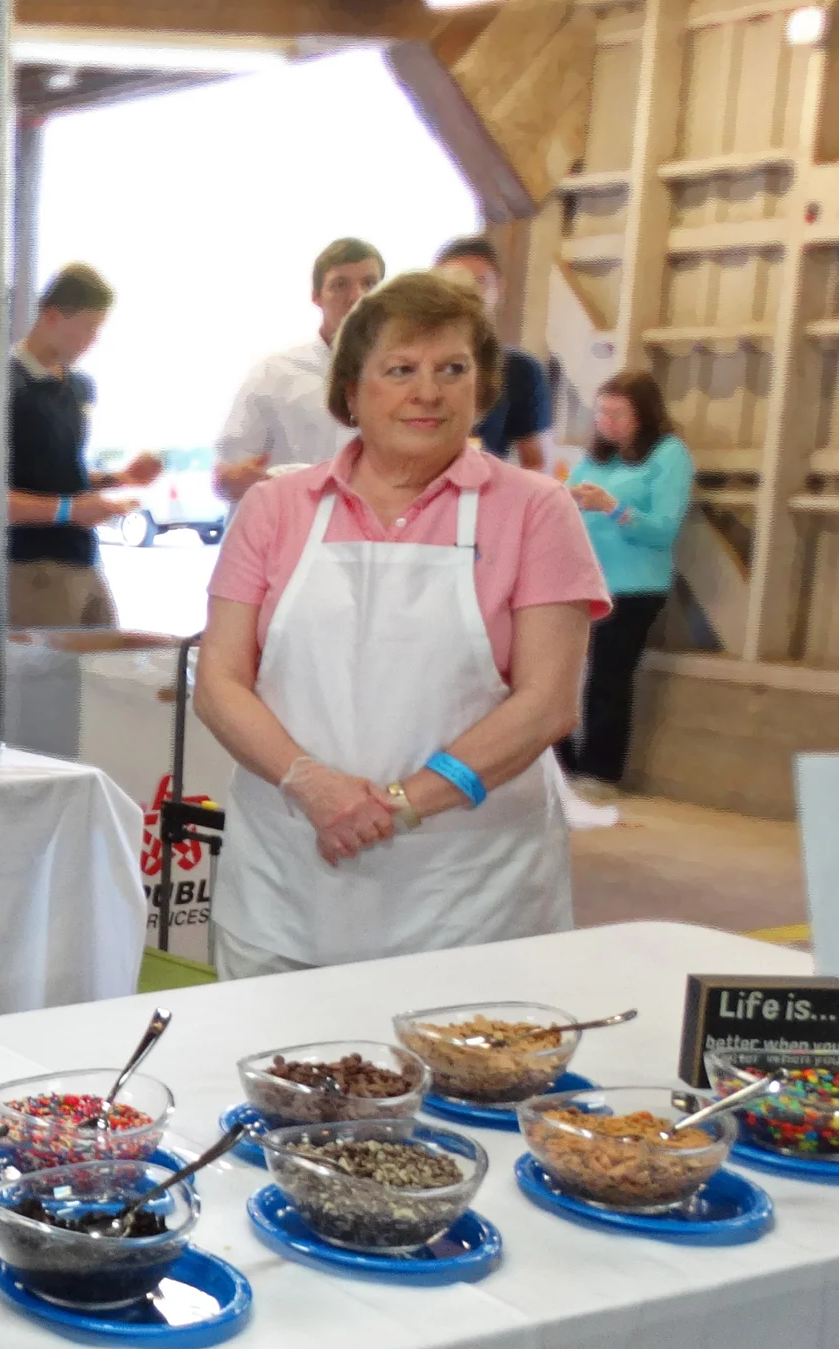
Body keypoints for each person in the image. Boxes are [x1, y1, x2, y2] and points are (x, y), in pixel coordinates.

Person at [193, 271, 610, 977]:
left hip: (469, 891)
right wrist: (313, 786)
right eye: (400, 370)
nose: (428, 392)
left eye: (453, 369)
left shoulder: (537, 511)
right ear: (351, 392)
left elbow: (546, 703)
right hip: (290, 881)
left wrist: (397, 805)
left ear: (481, 389)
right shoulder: (276, 509)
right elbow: (220, 683)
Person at [557, 370, 693, 792]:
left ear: (643, 415)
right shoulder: (596, 457)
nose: (607, 423)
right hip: (584, 581)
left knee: (608, 678)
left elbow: (664, 529)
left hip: (633, 586)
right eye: (601, 413)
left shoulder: (669, 455)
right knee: (555, 673)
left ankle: (600, 771)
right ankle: (560, 762)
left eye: (618, 414)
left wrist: (612, 507)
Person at [6, 264, 159, 627]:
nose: (93, 340)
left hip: (86, 559)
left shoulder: (79, 387)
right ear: (52, 316)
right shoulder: (4, 387)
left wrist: (119, 478)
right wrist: (70, 511)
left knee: (108, 660)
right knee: (51, 666)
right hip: (32, 568)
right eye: (88, 327)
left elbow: (54, 473)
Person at [213, 237, 383, 503]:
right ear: (316, 296)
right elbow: (226, 478)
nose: (357, 296)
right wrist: (240, 482)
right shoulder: (273, 375)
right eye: (340, 285)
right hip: (292, 522)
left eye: (369, 284)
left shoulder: (406, 376)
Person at [434, 236, 552, 470]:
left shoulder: (519, 369)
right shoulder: (410, 360)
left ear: (499, 287)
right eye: (455, 283)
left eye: (480, 281)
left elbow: (535, 462)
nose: (468, 292)